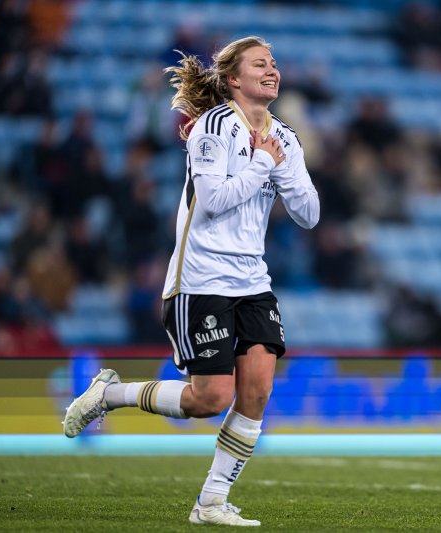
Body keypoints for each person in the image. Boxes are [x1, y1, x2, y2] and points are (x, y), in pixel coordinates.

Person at [62, 36, 320, 527]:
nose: (272, 70)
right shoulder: (212, 127)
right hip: (201, 279)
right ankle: (109, 394)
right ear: (233, 79)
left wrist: (283, 171)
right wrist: (263, 162)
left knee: (259, 388)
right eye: (259, 64)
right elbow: (215, 198)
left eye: (274, 63)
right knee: (211, 398)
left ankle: (212, 501)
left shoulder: (285, 136)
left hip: (252, 280)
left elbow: (309, 214)